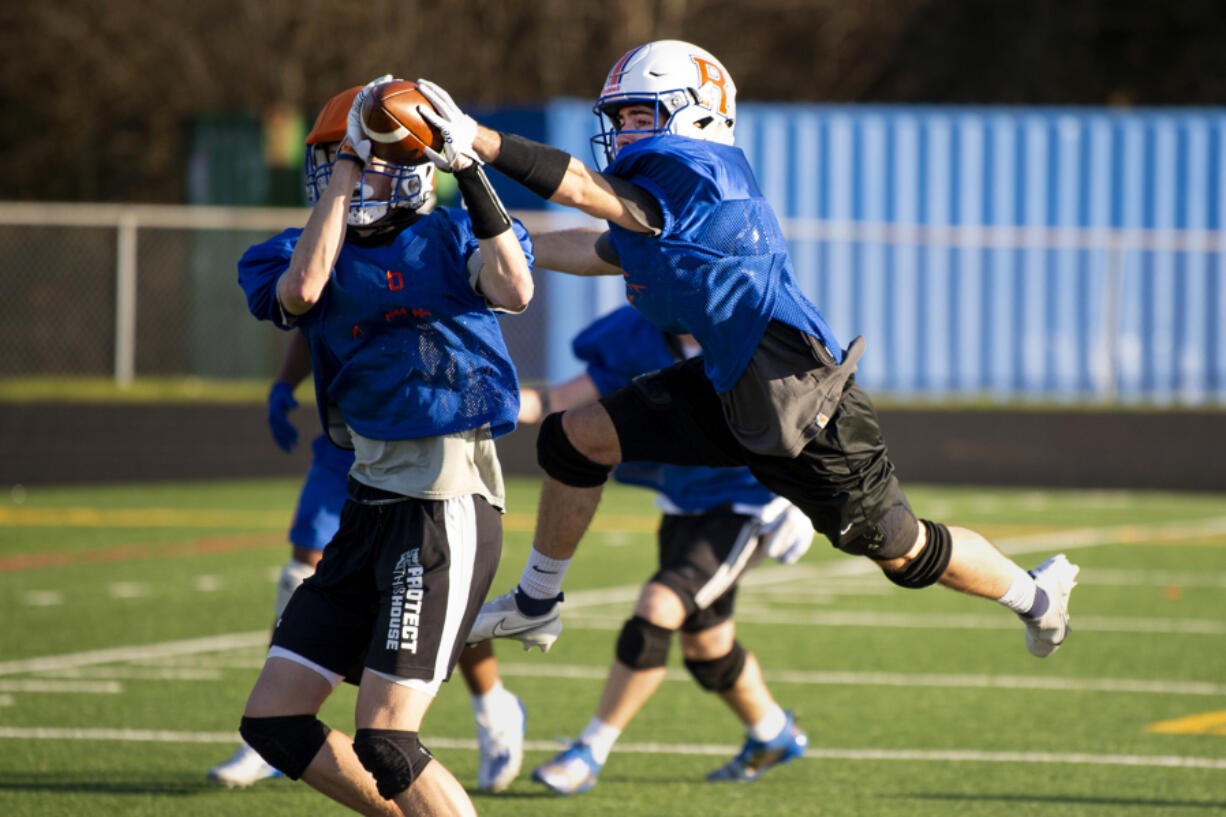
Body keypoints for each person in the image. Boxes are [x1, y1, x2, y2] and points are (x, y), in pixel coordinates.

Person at [414, 41, 1079, 663]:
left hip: (802, 395)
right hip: (731, 384)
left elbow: (586, 191)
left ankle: (1035, 595)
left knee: (902, 552)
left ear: (699, 113)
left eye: (639, 113)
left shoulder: (704, 174)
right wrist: (493, 253)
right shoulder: (657, 196)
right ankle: (536, 601)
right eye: (618, 116)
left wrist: (479, 142)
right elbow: (596, 245)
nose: (623, 131)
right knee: (574, 438)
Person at [234, 74, 533, 817]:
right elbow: (303, 291)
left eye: (369, 159)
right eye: (340, 160)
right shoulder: (293, 249)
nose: (356, 172)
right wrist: (348, 164)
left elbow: (516, 287)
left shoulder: (451, 230)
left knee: (388, 738)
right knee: (273, 719)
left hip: (442, 502)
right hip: (365, 500)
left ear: (411, 171)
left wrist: (467, 166)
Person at [207, 335, 527, 794]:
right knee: (300, 574)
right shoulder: (322, 263)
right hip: (350, 449)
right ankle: (275, 727)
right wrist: (285, 382)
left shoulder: (418, 267)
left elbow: (492, 306)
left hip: (423, 461)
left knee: (391, 728)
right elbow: (304, 308)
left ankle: (492, 708)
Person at [516, 305, 813, 793]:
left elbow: (814, 408)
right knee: (707, 646)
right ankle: (773, 733)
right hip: (683, 502)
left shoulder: (756, 329)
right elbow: (558, 399)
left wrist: (802, 497)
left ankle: (591, 750)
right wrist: (489, 400)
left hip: (747, 501)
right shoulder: (637, 334)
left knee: (658, 606)